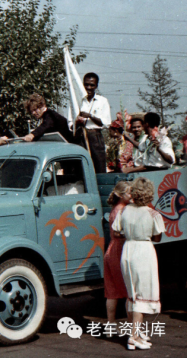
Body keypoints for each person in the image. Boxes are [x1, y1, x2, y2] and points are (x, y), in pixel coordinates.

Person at [112, 177, 165, 350]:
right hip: (144, 251)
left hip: (128, 250)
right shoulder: (153, 214)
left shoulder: (125, 210)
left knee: (132, 294)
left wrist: (130, 233)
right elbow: (157, 236)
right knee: (141, 296)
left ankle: (134, 332)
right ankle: (134, 337)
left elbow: (116, 231)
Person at [103, 181, 131, 324]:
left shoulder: (115, 208)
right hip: (120, 249)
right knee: (129, 292)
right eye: (129, 192)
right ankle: (133, 328)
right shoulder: (124, 210)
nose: (131, 195)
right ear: (121, 195)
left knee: (112, 293)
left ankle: (110, 325)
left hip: (111, 250)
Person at [75, 72, 111, 173]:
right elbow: (70, 124)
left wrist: (90, 116)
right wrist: (77, 121)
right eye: (86, 84)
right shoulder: (77, 101)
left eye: (92, 85)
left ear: (96, 86)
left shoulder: (102, 101)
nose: (89, 87)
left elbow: (105, 123)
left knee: (98, 166)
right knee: (80, 168)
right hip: (80, 136)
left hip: (95, 137)